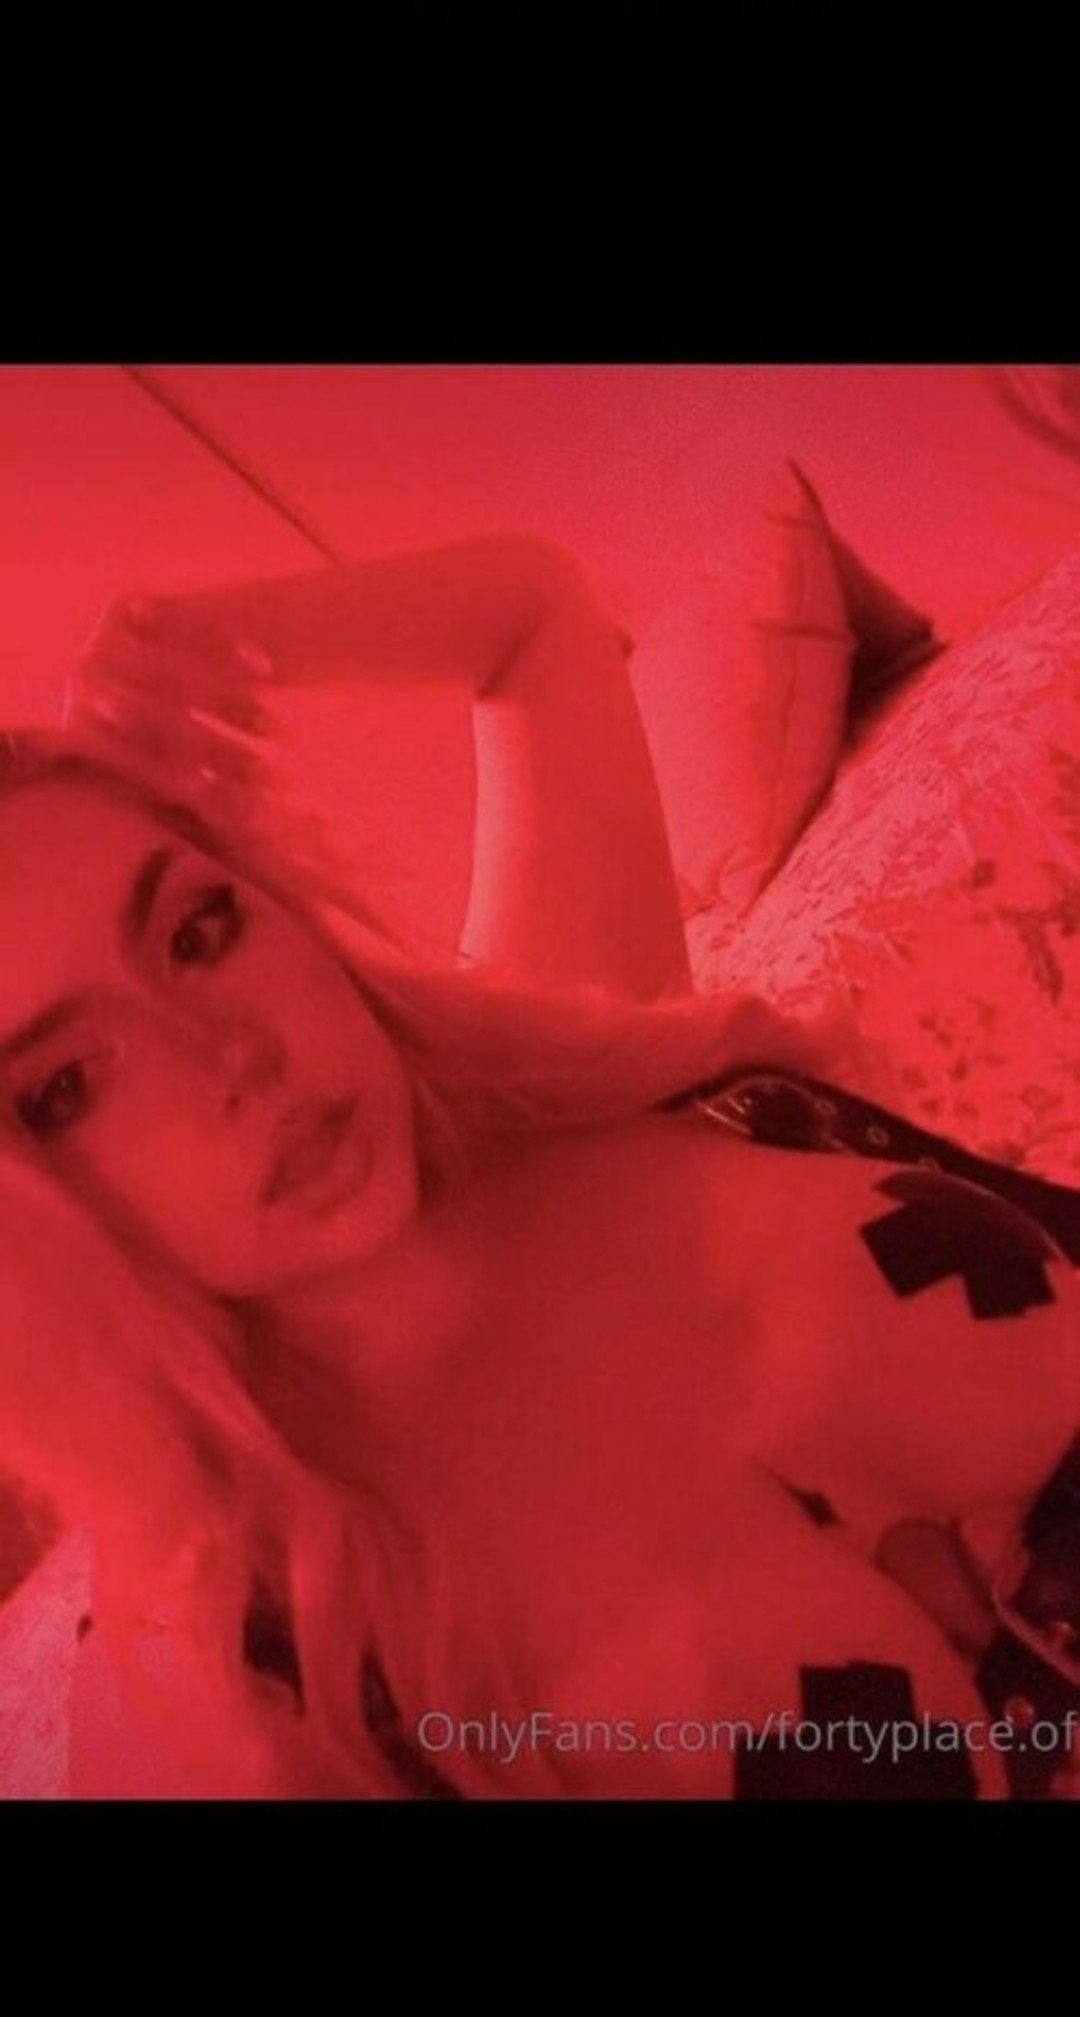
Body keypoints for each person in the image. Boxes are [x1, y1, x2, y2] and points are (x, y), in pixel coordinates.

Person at [2, 535, 1077, 1800]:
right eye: (68, 1084)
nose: (230, 1054)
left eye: (198, 929)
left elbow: (530, 623)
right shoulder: (247, 1698)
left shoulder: (551, 1075)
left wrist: (206, 649)